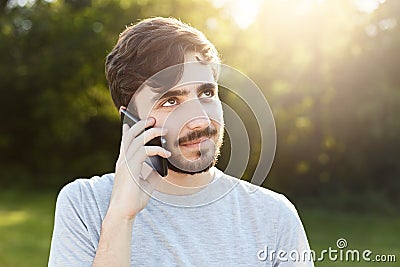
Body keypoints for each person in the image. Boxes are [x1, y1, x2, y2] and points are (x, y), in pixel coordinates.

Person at [48, 17, 314, 266]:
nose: (199, 121)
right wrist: (121, 217)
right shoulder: (85, 204)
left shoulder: (275, 216)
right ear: (130, 120)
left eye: (207, 93)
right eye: (171, 101)